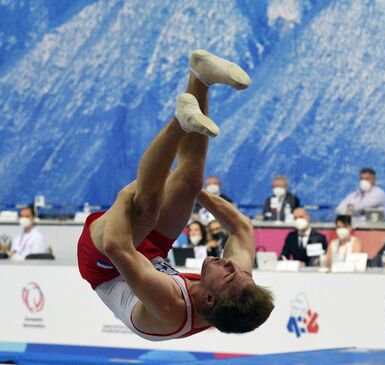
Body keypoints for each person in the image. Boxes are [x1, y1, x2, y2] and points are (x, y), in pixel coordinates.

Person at [77, 49, 274, 339]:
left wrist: (127, 195)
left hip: (106, 263)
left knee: (144, 206)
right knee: (189, 177)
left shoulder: (170, 307)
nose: (231, 264)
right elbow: (242, 229)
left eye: (230, 272)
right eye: (241, 271)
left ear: (209, 300)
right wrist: (195, 191)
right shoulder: (236, 287)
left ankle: (177, 125)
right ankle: (200, 77)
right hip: (151, 255)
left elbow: (115, 244)